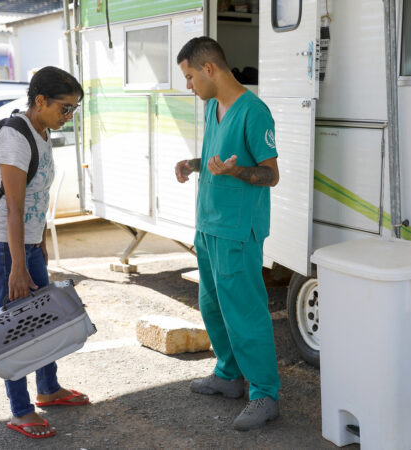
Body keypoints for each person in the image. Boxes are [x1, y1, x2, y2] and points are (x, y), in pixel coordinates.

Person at [174, 37, 281, 431]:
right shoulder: (212, 107)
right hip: (208, 224)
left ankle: (265, 394)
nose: (189, 85)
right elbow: (218, 158)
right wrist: (194, 163)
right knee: (213, 306)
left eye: (189, 77)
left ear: (208, 69)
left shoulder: (254, 112)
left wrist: (235, 172)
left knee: (245, 313)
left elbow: (270, 175)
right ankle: (228, 375)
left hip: (237, 229)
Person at [0, 66, 88, 439]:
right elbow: (13, 208)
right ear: (39, 100)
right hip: (4, 246)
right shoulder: (14, 137)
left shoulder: (41, 132)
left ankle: (49, 390)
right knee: (16, 327)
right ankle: (20, 411)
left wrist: (37, 240)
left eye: (74, 109)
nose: (68, 115)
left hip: (27, 242)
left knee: (47, 318)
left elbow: (34, 201)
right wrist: (18, 267)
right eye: (64, 107)